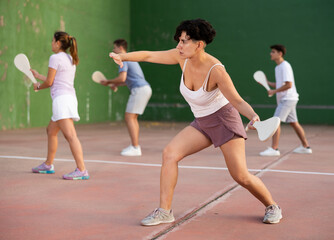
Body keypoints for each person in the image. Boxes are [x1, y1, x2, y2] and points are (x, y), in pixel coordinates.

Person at [109, 19, 282, 225]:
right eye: (179, 41)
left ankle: (272, 206)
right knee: (170, 154)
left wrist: (253, 117)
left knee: (240, 176)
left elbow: (237, 100)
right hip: (202, 121)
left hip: (224, 120)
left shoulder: (216, 69)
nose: (179, 46)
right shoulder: (180, 57)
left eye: (184, 42)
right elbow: (148, 55)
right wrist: (122, 56)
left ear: (199, 44)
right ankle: (165, 211)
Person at [30, 31, 89, 180]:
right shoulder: (70, 58)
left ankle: (82, 170)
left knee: (71, 136)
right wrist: (38, 76)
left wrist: (38, 86)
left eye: (52, 41)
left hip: (61, 101)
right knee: (51, 130)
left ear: (58, 43)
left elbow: (50, 83)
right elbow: (56, 80)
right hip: (69, 98)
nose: (51, 43)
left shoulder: (54, 58)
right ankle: (48, 165)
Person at [101, 39, 152, 157]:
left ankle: (135, 147)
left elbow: (122, 78)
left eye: (114, 48)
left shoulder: (123, 58)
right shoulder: (131, 58)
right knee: (132, 118)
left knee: (129, 117)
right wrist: (115, 84)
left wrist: (108, 81)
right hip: (144, 88)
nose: (113, 50)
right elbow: (128, 80)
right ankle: (135, 146)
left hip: (139, 90)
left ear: (120, 48)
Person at [260, 44, 312, 156]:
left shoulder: (285, 66)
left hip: (287, 99)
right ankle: (306, 146)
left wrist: (274, 91)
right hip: (289, 99)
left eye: (273, 52)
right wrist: (268, 83)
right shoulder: (278, 67)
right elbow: (280, 84)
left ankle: (274, 149)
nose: (271, 53)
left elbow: (289, 85)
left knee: (275, 122)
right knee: (294, 123)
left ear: (280, 53)